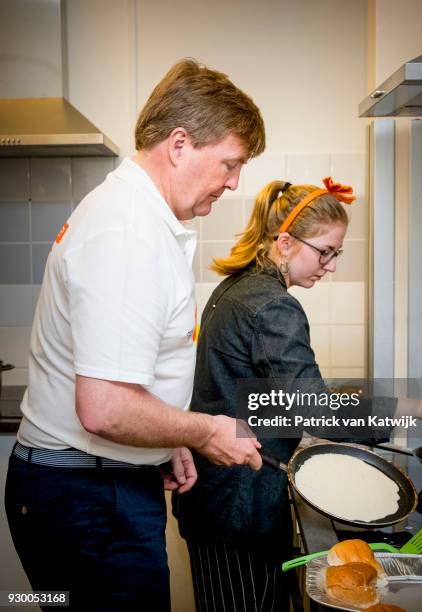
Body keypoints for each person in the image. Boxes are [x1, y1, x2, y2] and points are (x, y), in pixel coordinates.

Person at [4, 58, 266, 611]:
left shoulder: (137, 217)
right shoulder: (127, 232)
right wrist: (202, 431)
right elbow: (104, 407)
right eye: (229, 163)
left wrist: (164, 439)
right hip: (87, 500)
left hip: (91, 488)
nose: (235, 181)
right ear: (178, 145)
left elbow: (124, 381)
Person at [173, 177, 422, 612]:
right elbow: (317, 410)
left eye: (337, 253)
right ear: (287, 242)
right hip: (240, 503)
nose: (331, 265)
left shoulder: (238, 287)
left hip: (219, 497)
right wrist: (419, 408)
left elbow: (267, 395)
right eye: (325, 251)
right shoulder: (272, 305)